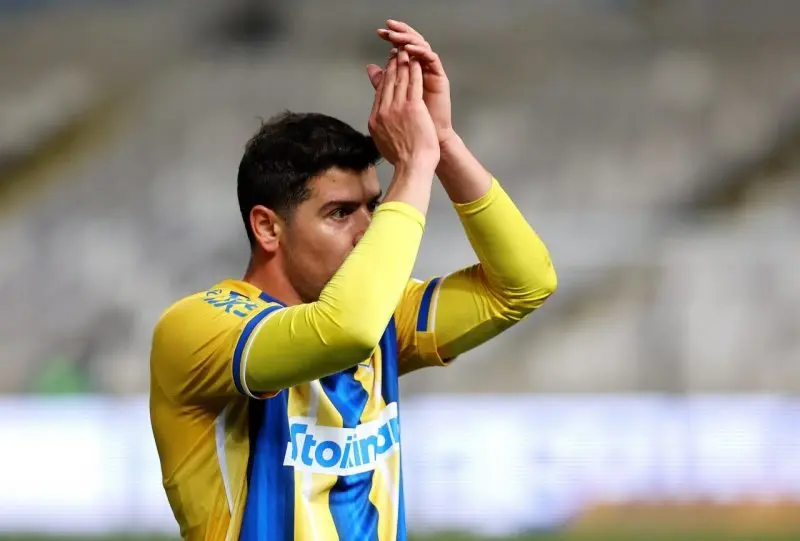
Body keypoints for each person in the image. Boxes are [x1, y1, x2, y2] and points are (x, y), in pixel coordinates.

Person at [150, 19, 557, 541]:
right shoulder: (196, 329)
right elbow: (344, 330)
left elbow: (525, 283)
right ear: (268, 227)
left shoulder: (380, 315)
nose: (368, 230)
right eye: (340, 213)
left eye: (374, 207)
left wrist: (444, 144)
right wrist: (414, 166)